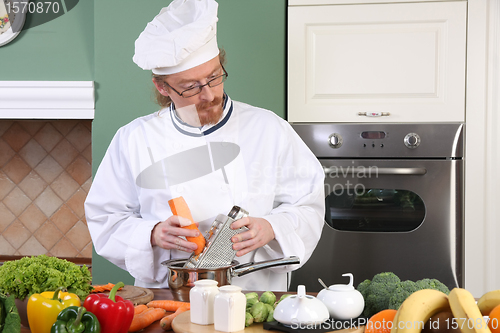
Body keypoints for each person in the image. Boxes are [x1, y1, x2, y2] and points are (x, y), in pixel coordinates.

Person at [84, 0, 325, 291]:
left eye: (214, 77)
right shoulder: (133, 139)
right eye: (191, 86)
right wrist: (152, 233)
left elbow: (308, 205)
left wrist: (273, 226)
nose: (208, 94)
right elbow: (105, 218)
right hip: (171, 296)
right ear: (163, 87)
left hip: (253, 293)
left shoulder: (269, 129)